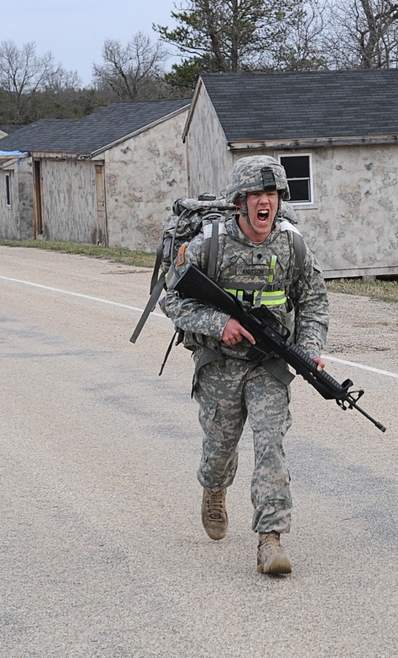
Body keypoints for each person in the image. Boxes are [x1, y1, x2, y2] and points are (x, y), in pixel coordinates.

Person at [163, 155, 330, 575]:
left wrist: (308, 349)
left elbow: (313, 302)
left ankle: (270, 539)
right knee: (220, 448)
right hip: (219, 363)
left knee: (270, 441)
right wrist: (220, 324)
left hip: (267, 365)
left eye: (272, 194)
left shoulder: (291, 246)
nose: (265, 203)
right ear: (240, 201)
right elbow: (173, 300)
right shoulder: (210, 245)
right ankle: (214, 489)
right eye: (256, 194)